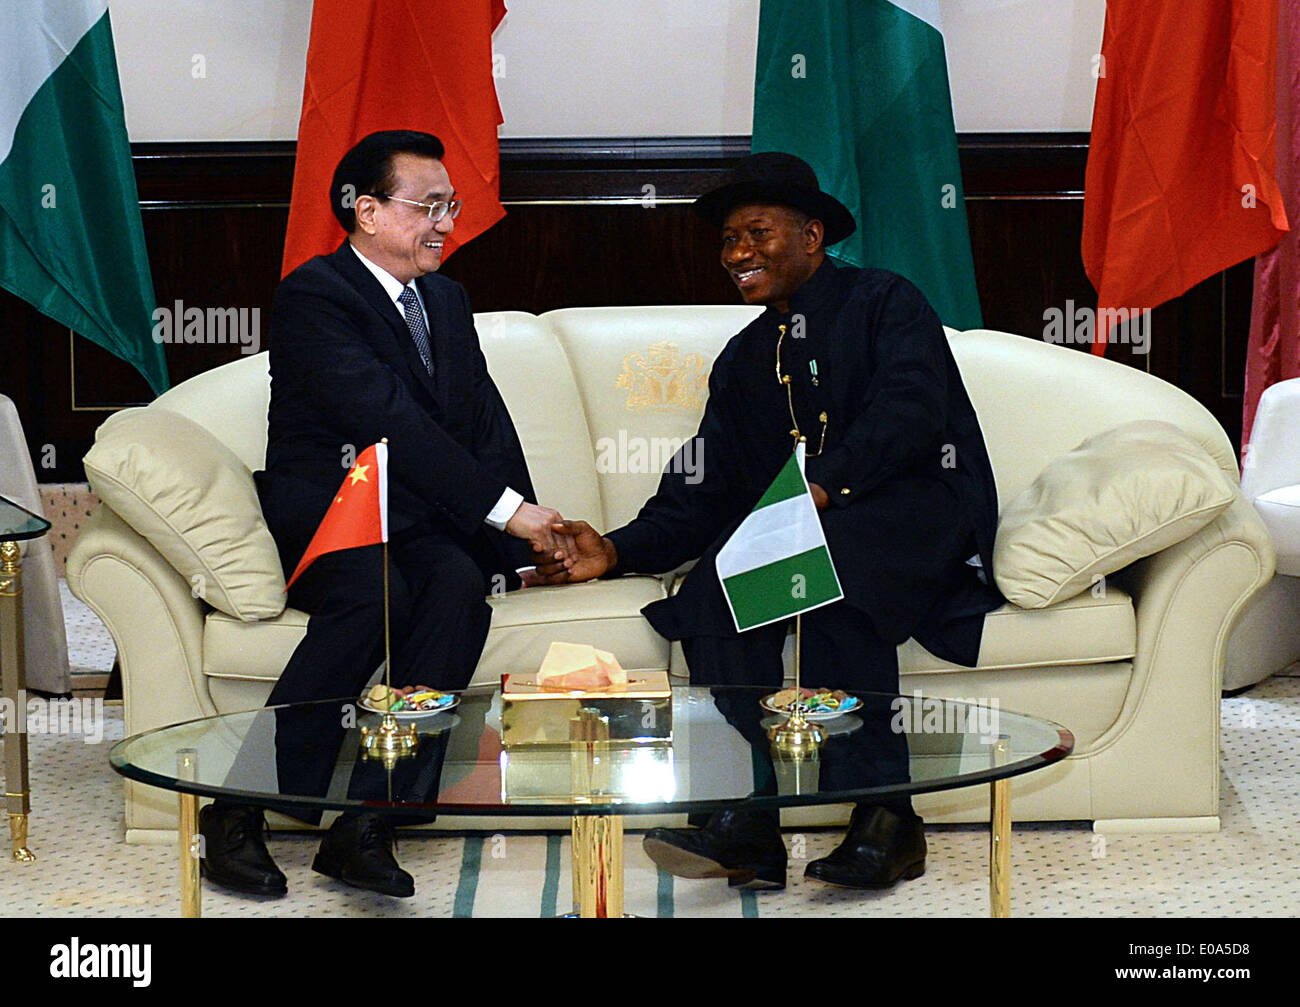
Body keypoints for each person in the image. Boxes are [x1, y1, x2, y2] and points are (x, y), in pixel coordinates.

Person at [533, 152, 1003, 891]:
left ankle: (887, 815)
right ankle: (748, 816)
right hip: (810, 527)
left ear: (813, 235)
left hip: (914, 513)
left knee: (833, 576)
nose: (738, 253)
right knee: (714, 595)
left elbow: (911, 415)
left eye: (757, 232)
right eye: (727, 240)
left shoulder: (886, 301)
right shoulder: (745, 357)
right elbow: (703, 485)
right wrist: (616, 548)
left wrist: (824, 483)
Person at [200, 130, 568, 899]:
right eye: (425, 206)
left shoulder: (446, 296)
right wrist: (509, 512)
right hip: (331, 512)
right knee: (378, 595)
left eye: (450, 206)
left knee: (459, 586)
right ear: (366, 211)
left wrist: (521, 544)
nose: (443, 223)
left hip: (416, 517)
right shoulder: (315, 295)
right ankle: (237, 810)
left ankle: (370, 818)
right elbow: (387, 417)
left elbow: (480, 421)